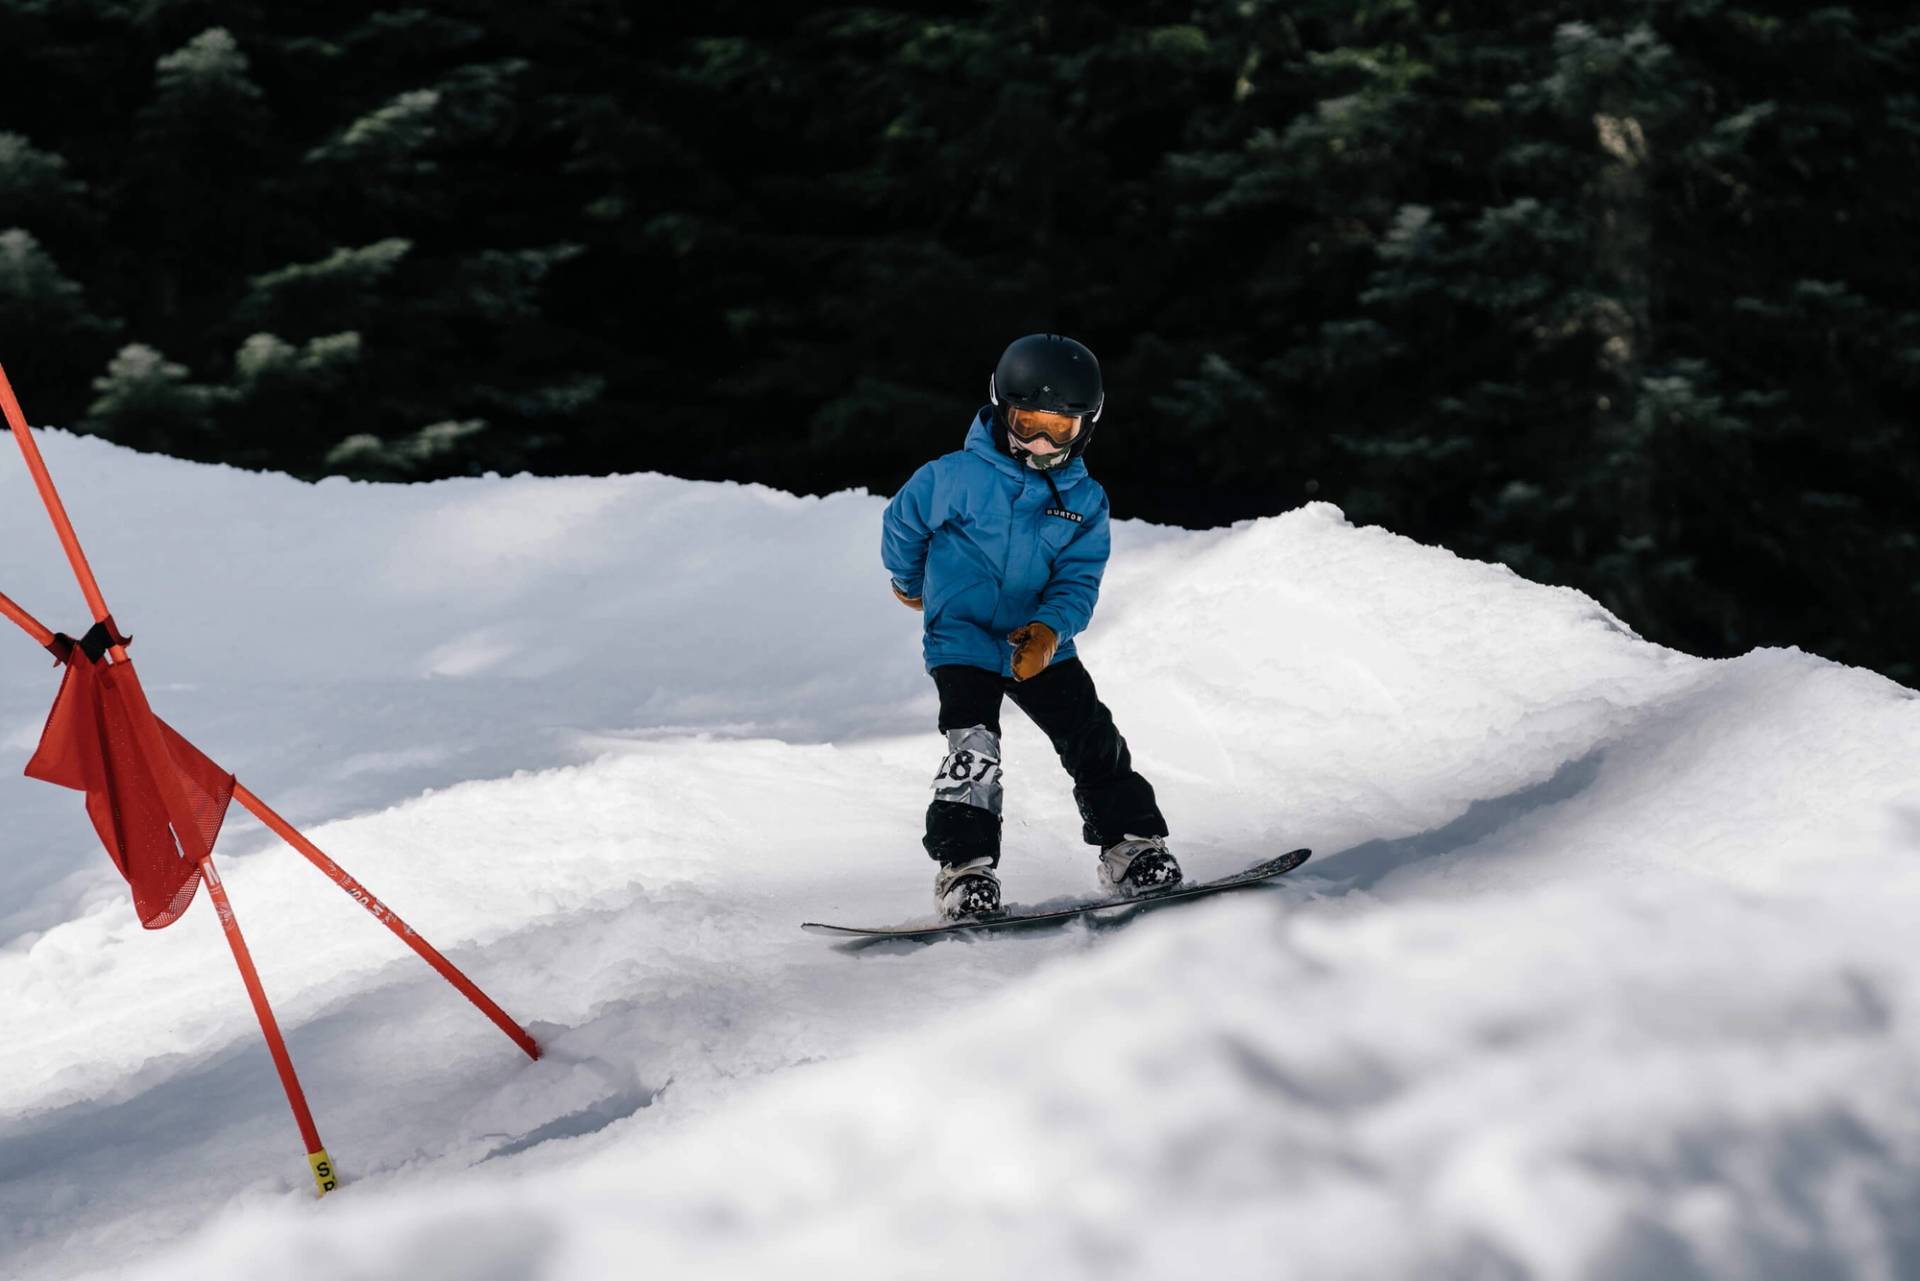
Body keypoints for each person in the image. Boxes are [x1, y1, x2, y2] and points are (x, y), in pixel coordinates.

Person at [881, 333, 1177, 919]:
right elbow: (902, 525)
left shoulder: (1084, 500)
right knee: (974, 751)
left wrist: (1049, 630)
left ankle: (1131, 846)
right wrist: (911, 583)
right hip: (961, 640)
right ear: (1001, 410)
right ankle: (964, 872)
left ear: (1085, 426)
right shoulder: (952, 477)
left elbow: (1079, 578)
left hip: (1038, 644)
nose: (1040, 440)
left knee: (1092, 738)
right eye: (1027, 422)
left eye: (1059, 427)